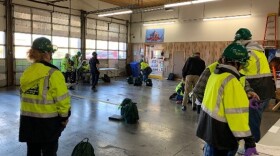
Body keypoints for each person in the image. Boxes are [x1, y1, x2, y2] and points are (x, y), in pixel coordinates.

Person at [196, 43, 257, 156]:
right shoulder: (231, 81)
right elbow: (237, 115)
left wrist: (245, 96)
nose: (243, 67)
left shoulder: (215, 75)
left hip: (209, 127)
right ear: (237, 63)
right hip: (222, 134)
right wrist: (250, 141)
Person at [19, 37, 71, 156]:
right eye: (51, 52)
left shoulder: (27, 72)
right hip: (48, 124)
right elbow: (62, 99)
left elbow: (23, 95)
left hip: (28, 122)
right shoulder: (53, 73)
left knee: (32, 152)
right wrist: (64, 118)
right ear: (46, 53)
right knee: (49, 153)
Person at [235, 28, 275, 142]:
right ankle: (251, 146)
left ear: (241, 40)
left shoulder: (248, 53)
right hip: (265, 91)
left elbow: (239, 70)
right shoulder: (258, 50)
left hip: (256, 93)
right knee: (254, 120)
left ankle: (251, 148)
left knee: (253, 122)